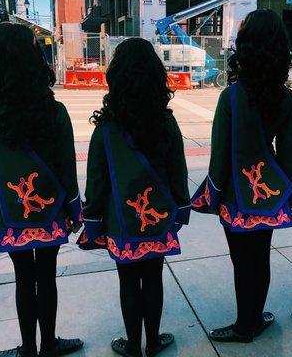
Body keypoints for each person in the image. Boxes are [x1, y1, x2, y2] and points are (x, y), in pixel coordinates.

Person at [0, 23, 84, 357]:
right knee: (46, 276)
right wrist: (74, 211)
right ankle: (49, 345)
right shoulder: (55, 111)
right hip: (52, 211)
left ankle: (28, 349)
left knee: (22, 278)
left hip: (12, 213)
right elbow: (66, 167)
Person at [190, 9, 292, 342]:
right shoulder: (287, 98)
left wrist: (212, 194)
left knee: (242, 263)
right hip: (268, 194)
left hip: (237, 196)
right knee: (261, 259)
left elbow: (219, 156)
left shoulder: (231, 97)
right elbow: (287, 155)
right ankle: (254, 319)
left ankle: (243, 326)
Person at [77, 38, 191, 357]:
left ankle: (133, 346)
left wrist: (93, 220)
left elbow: (96, 180)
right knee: (154, 279)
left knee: (128, 282)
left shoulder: (106, 128)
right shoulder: (166, 122)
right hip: (157, 217)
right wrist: (181, 208)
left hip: (120, 221)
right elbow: (177, 169)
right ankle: (153, 341)